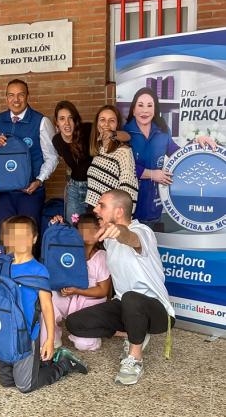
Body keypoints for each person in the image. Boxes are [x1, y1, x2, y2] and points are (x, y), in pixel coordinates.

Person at [66, 189, 175, 386]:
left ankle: (135, 358)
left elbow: (131, 238)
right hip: (125, 307)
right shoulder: (107, 238)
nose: (96, 209)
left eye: (102, 205)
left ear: (118, 212)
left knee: (132, 298)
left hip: (157, 312)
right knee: (75, 323)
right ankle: (135, 333)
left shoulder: (143, 232)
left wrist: (120, 232)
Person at [0, 216, 88, 393]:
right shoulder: (3, 263)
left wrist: (50, 340)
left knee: (24, 385)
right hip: (5, 331)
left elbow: (47, 306)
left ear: (34, 238)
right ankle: (37, 365)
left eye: (25, 235)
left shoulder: (38, 270)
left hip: (27, 334)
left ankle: (63, 365)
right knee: (6, 382)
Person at [123, 87, 217, 225]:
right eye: (140, 105)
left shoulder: (163, 131)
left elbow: (177, 154)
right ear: (133, 109)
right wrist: (151, 174)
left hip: (155, 205)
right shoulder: (124, 133)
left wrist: (196, 142)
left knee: (155, 244)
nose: (145, 110)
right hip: (131, 205)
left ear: (155, 109)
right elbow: (122, 165)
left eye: (150, 105)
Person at [0, 80, 58, 227]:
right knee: (7, 234)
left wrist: (39, 180)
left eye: (21, 95)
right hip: (5, 192)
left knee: (27, 235)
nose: (16, 100)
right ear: (6, 98)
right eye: (11, 95)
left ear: (27, 96)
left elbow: (52, 157)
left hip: (30, 191)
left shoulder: (41, 121)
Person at [42, 213, 112, 351]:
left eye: (93, 229)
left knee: (84, 345)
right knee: (49, 296)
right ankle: (52, 338)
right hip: (69, 298)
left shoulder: (101, 257)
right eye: (83, 230)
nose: (88, 234)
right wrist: (57, 225)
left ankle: (99, 331)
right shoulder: (67, 252)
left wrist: (77, 290)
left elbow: (103, 290)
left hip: (90, 304)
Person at [85, 105, 138, 210]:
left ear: (117, 124)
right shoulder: (99, 147)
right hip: (94, 211)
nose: (106, 124)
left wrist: (121, 222)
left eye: (111, 120)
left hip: (111, 215)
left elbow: (129, 192)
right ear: (97, 124)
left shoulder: (123, 152)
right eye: (102, 120)